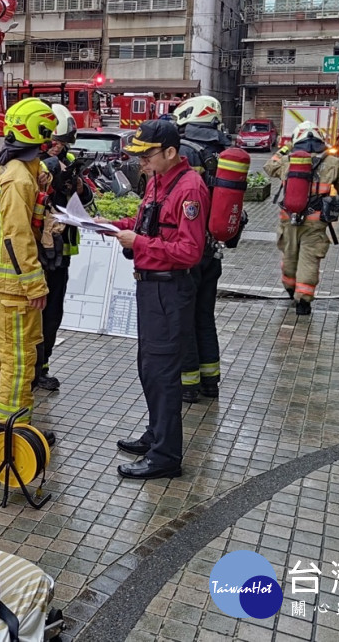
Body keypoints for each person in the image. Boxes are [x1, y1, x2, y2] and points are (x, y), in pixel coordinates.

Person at [104, 119, 209, 480]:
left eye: (146, 155)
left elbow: (190, 251)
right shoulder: (157, 181)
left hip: (170, 288)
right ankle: (155, 435)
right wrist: (116, 225)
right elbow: (148, 220)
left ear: (170, 152)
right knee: (149, 367)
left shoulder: (190, 188)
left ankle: (166, 456)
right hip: (150, 287)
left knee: (164, 373)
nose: (140, 163)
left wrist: (140, 243)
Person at [0, 97, 56, 435]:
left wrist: (42, 174)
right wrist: (35, 285)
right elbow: (18, 237)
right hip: (13, 283)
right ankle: (15, 425)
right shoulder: (19, 178)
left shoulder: (5, 165)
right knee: (19, 355)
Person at [173, 94, 234, 403]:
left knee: (184, 318)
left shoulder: (186, 151)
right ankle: (211, 381)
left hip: (189, 249)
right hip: (214, 248)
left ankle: (188, 384)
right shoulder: (225, 150)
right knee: (205, 317)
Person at [264, 121, 339, 316]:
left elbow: (268, 166)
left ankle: (290, 289)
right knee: (309, 260)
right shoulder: (332, 163)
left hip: (288, 220)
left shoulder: (287, 160)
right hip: (315, 223)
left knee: (289, 258)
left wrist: (285, 148)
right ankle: (303, 301)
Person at [34, 104, 93, 392]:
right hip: (37, 254)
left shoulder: (67, 161)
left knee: (53, 313)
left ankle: (43, 366)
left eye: (64, 143)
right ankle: (30, 368)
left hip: (61, 253)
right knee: (34, 313)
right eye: (56, 142)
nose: (60, 148)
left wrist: (79, 186)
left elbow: (87, 198)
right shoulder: (31, 163)